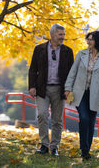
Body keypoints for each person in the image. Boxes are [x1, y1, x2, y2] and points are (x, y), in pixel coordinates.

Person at [64, 30, 99, 160]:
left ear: (98, 42)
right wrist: (68, 88)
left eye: (91, 39)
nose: (88, 41)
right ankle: (84, 149)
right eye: (88, 39)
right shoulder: (81, 54)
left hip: (94, 95)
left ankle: (86, 151)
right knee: (84, 118)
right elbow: (72, 72)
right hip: (80, 93)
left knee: (90, 122)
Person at [28, 23, 74, 156]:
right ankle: (44, 145)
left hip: (60, 90)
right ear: (52, 35)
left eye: (64, 34)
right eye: (60, 34)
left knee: (57, 120)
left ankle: (54, 147)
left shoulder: (67, 51)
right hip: (42, 89)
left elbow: (71, 73)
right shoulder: (39, 49)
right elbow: (33, 69)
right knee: (42, 115)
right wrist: (32, 86)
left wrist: (69, 89)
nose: (63, 37)